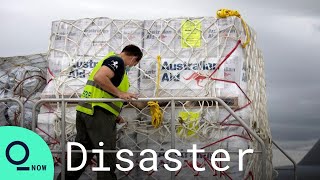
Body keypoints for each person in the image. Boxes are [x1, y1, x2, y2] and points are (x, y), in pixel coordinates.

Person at [57, 44, 143, 180]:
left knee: (80, 155)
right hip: (98, 114)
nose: (131, 67)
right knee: (106, 155)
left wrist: (115, 115)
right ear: (134, 59)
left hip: (87, 112)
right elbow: (100, 77)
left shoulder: (110, 61)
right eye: (134, 64)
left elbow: (102, 91)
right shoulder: (117, 61)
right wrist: (120, 93)